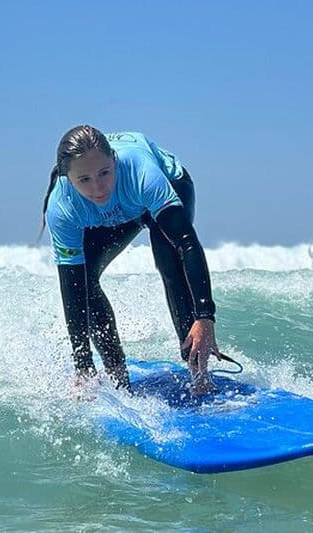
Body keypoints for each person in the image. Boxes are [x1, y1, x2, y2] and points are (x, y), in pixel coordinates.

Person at [41, 125, 223, 394]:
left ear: (114, 160)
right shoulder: (62, 208)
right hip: (123, 207)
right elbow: (72, 287)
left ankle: (200, 375)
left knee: (170, 262)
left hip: (168, 184)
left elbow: (186, 242)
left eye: (104, 172)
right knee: (86, 280)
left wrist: (205, 316)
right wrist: (82, 366)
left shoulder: (140, 171)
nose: (98, 187)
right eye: (85, 179)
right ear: (68, 178)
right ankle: (117, 377)